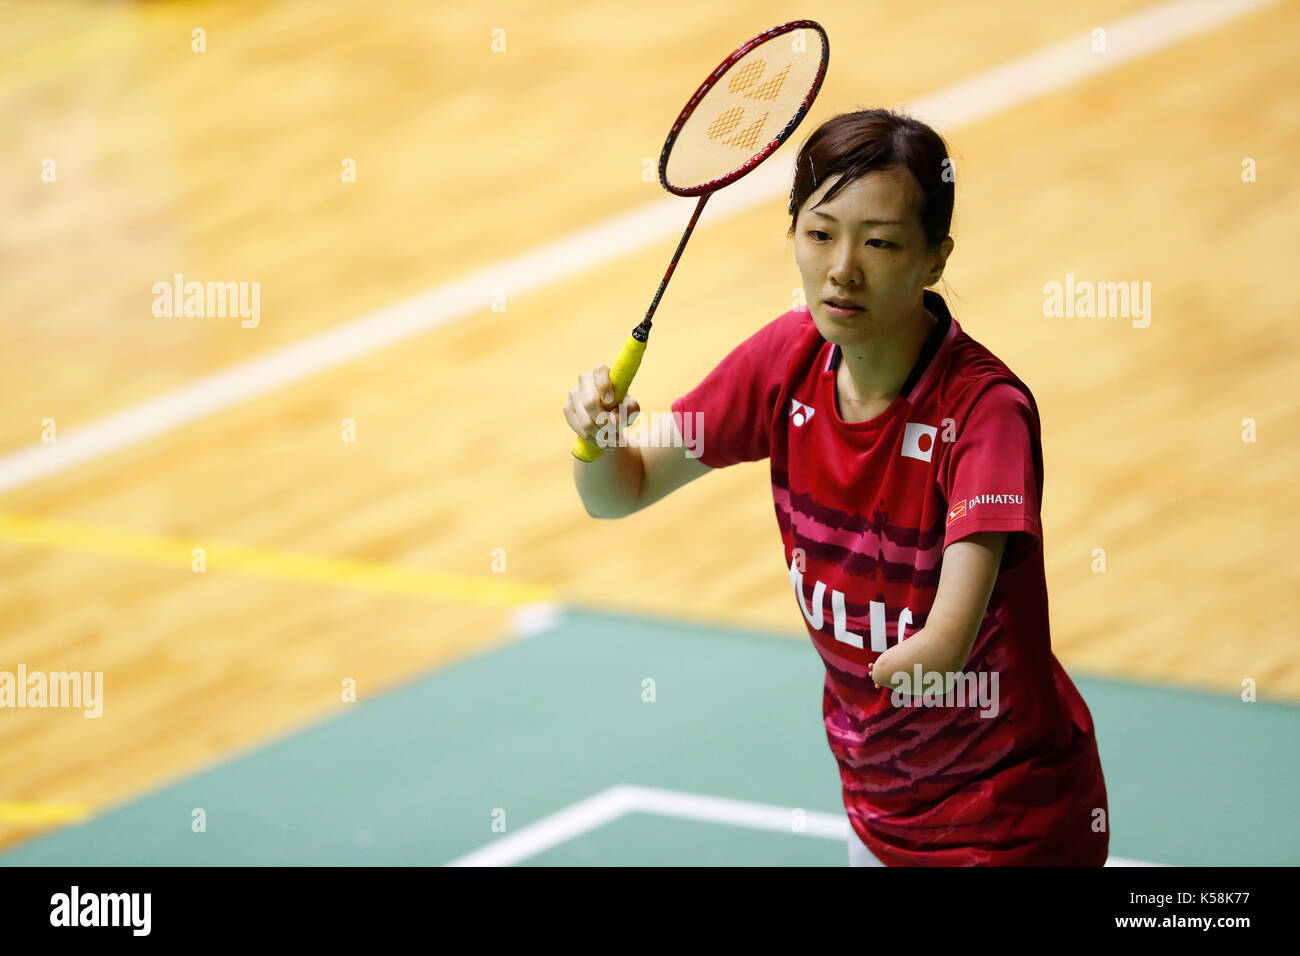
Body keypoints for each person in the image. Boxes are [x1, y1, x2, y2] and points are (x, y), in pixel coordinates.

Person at [563, 108, 1108, 866]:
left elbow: (947, 640)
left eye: (879, 242)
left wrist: (906, 660)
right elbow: (617, 493)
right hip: (877, 810)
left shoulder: (984, 413)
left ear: (934, 259)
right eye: (820, 233)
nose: (842, 267)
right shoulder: (785, 362)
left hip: (1006, 820)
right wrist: (599, 441)